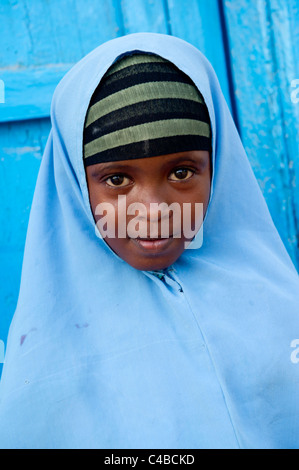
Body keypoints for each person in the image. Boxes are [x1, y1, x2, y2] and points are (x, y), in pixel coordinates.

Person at [0, 32, 298, 449]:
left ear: (219, 166)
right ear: (74, 185)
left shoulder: (282, 311)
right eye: (117, 180)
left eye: (181, 172)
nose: (154, 211)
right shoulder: (43, 370)